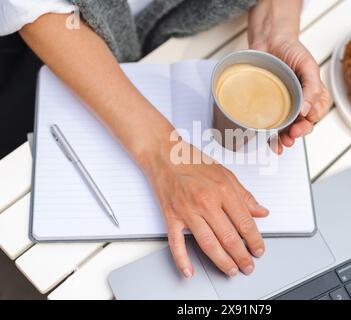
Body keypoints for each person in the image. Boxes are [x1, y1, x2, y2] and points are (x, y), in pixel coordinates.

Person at [0, 0, 331, 278]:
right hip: (59, 42)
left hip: (196, 25)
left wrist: (276, 34)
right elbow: (30, 6)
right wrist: (164, 152)